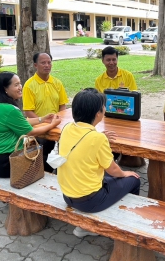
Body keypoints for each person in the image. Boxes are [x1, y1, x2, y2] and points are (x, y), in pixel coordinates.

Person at [58, 88, 140, 238]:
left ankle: (84, 226)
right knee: (133, 179)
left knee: (109, 179)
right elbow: (113, 170)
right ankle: (125, 226)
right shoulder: (97, 139)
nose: (105, 108)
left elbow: (83, 144)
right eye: (104, 106)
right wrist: (126, 173)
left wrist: (99, 137)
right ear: (98, 113)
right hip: (90, 202)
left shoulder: (67, 127)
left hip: (67, 196)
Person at [0, 72, 61, 178]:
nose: (20, 87)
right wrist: (52, 124)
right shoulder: (9, 109)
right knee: (44, 162)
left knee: (42, 157)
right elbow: (31, 132)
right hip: (5, 162)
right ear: (5, 88)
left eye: (20, 83)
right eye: (16, 85)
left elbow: (21, 123)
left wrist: (42, 119)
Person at [23, 52, 69, 172]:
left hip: (57, 126)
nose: (47, 65)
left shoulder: (57, 83)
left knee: (66, 149)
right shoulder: (29, 85)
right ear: (35, 65)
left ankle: (60, 171)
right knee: (42, 151)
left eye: (49, 62)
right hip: (40, 128)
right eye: (43, 63)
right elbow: (28, 111)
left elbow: (62, 106)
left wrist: (58, 121)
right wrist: (45, 125)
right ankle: (41, 172)